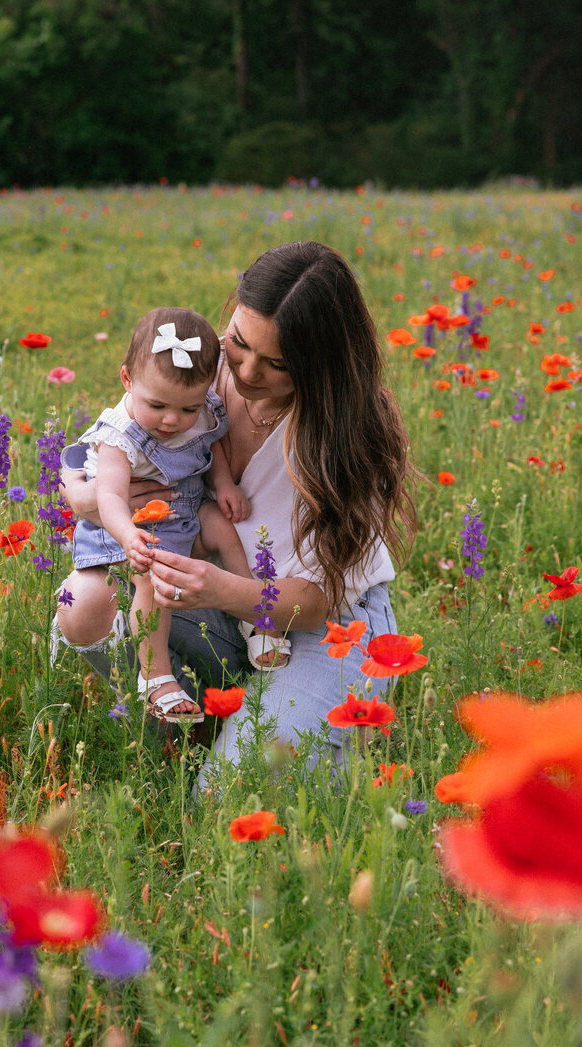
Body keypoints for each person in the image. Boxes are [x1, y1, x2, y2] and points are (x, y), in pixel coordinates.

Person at [55, 241, 414, 767]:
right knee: (85, 601)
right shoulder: (200, 364)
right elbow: (105, 440)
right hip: (211, 598)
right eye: (240, 343)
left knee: (231, 796)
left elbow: (316, 599)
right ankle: (181, 735)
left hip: (323, 622)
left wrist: (222, 587)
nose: (246, 371)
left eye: (277, 364)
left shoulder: (346, 435)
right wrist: (84, 494)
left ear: (323, 366)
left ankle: (296, 726)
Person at [55, 307, 270, 724]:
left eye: (187, 409)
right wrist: (129, 537)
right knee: (152, 582)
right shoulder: (120, 435)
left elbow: (212, 447)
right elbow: (111, 498)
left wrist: (223, 486)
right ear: (127, 380)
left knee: (224, 530)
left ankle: (256, 618)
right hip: (130, 526)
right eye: (158, 405)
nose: (173, 420)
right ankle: (157, 681)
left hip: (184, 511)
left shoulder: (201, 409)